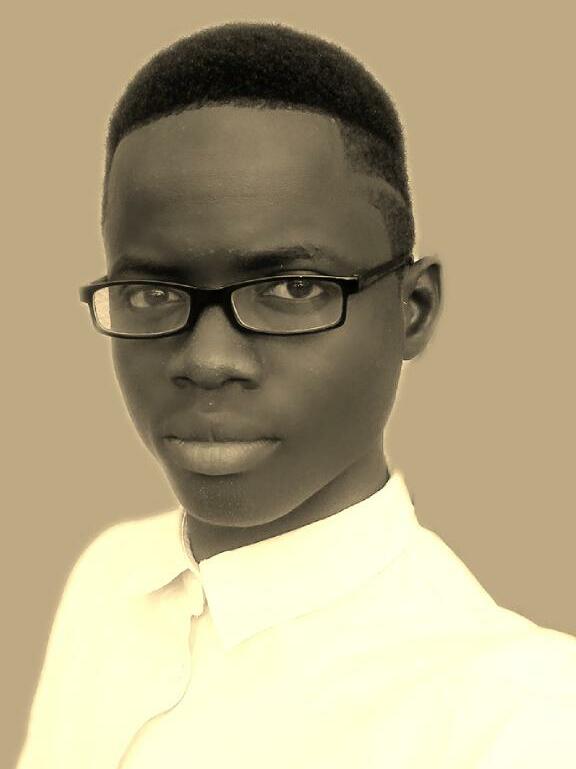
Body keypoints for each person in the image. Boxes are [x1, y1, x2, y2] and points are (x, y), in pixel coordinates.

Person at [17, 21, 576, 769]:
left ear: (412, 309)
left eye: (293, 288)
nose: (208, 361)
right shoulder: (110, 577)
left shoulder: (519, 722)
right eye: (151, 292)